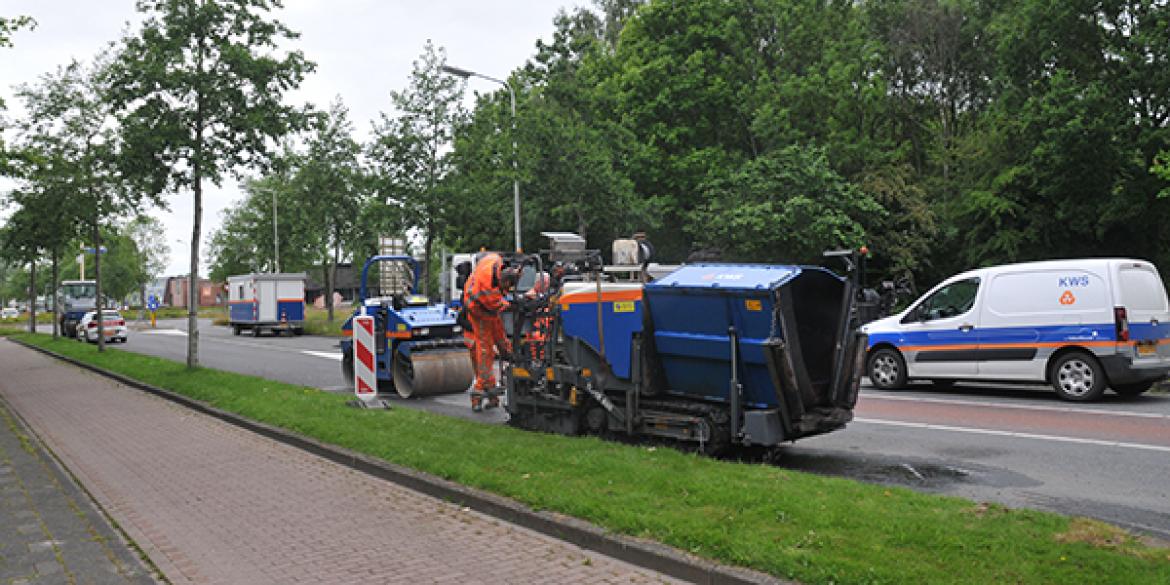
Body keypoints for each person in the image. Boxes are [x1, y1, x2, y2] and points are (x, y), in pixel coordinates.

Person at [462, 253, 519, 411]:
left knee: (501, 339)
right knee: (486, 350)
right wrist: (509, 304)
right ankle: (479, 390)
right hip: (480, 313)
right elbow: (498, 304)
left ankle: (492, 395)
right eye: (506, 288)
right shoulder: (489, 291)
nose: (506, 292)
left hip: (488, 311)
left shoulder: (495, 261)